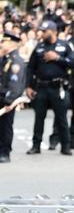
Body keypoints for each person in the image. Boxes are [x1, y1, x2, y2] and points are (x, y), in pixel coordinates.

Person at [26, 19, 74, 155]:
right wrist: (29, 86)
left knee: (61, 118)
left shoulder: (65, 46)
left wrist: (57, 58)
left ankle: (66, 145)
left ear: (53, 32)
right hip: (41, 87)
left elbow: (72, 62)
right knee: (39, 118)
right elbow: (31, 67)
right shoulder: (39, 47)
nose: (42, 34)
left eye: (45, 31)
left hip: (58, 86)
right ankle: (36, 145)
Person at [0, 31, 27, 163]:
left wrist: (10, 100)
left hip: (7, 99)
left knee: (5, 126)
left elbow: (15, 83)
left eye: (3, 42)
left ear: (10, 43)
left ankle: (5, 152)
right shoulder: (4, 58)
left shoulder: (15, 60)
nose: (1, 44)